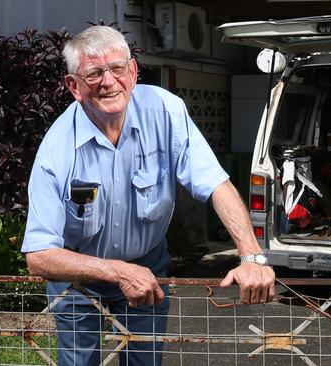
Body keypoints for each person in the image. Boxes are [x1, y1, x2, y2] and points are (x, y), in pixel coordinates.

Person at [21, 25, 276, 365]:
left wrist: (251, 256)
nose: (109, 82)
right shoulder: (57, 149)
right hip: (78, 276)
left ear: (134, 71)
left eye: (118, 68)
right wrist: (117, 271)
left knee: (144, 360)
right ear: (74, 86)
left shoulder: (166, 112)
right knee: (80, 361)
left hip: (148, 266)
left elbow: (216, 184)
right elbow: (39, 255)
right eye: (94, 73)